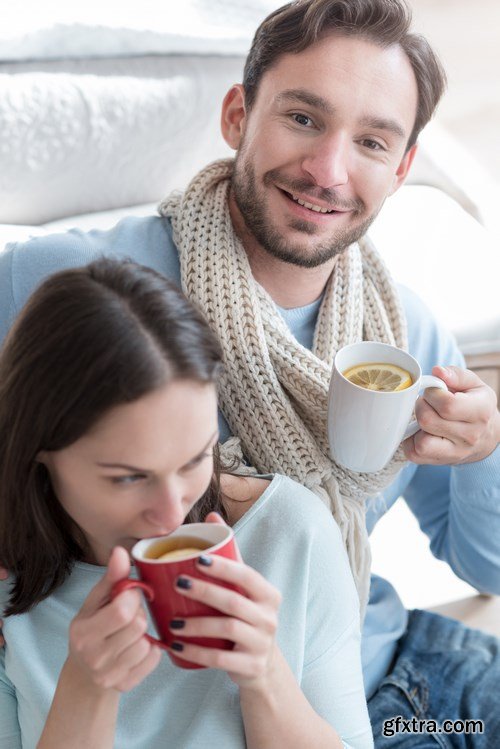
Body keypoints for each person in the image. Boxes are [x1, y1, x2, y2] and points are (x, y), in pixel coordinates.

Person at [0, 0, 499, 744]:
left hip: (383, 663)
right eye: (302, 117)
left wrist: (485, 451)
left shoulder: (405, 336)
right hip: (186, 700)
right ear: (238, 115)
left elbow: (484, 564)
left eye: (370, 141)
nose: (328, 170)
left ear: (401, 169)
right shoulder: (75, 287)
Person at [0, 257, 373, 749]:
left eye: (196, 459)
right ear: (39, 454)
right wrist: (85, 693)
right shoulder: (10, 588)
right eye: (129, 477)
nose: (173, 515)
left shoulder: (291, 533)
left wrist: (266, 678)